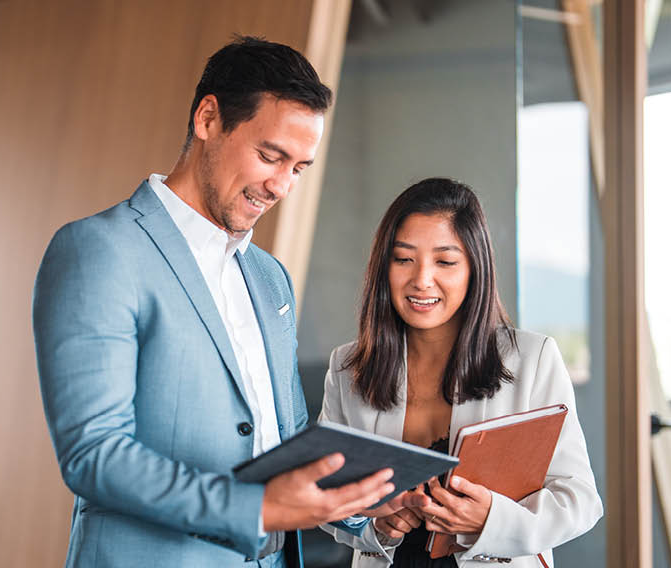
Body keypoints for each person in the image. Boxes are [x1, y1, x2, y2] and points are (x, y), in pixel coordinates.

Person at [32, 36, 398, 568]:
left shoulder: (270, 277)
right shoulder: (98, 250)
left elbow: (288, 438)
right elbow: (95, 455)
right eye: (270, 156)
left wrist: (367, 508)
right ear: (208, 118)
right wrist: (257, 509)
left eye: (298, 168)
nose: (280, 186)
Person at [318, 178, 603, 567]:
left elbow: (579, 500)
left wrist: (489, 520)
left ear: (474, 269)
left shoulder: (533, 359)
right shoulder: (347, 367)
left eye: (445, 261)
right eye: (404, 259)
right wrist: (375, 525)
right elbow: (328, 497)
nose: (421, 279)